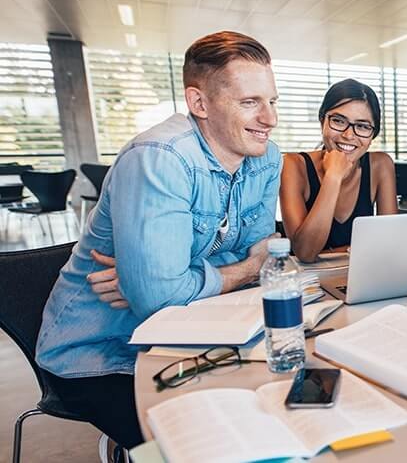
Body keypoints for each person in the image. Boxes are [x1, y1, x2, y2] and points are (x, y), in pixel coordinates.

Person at [35, 31, 282, 450]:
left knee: (272, 410)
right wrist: (239, 269)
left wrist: (166, 279)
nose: (269, 118)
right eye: (249, 102)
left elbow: (261, 254)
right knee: (205, 443)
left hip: (191, 334)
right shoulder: (160, 158)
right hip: (100, 352)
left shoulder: (265, 157)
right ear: (199, 104)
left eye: (272, 101)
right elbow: (164, 297)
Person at [279, 79, 397, 262]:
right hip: (309, 283)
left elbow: (390, 244)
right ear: (322, 121)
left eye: (363, 126)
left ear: (372, 134)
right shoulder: (293, 165)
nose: (348, 135)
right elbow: (305, 252)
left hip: (361, 275)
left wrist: (330, 253)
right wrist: (333, 176)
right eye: (338, 121)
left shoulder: (380, 165)